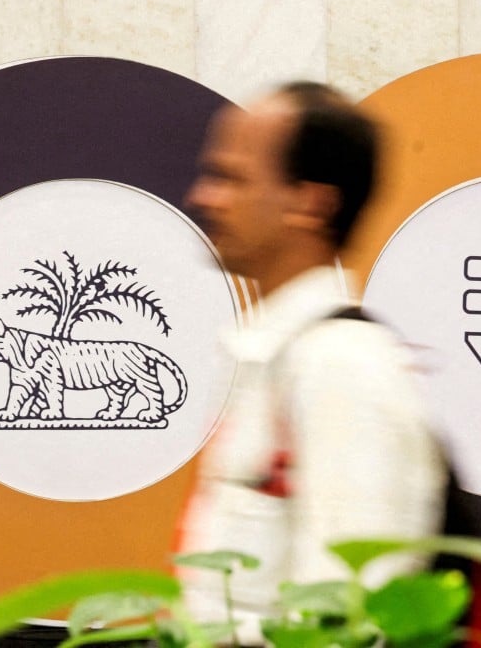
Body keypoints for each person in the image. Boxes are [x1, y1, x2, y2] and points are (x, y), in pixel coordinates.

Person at [178, 81, 447, 643]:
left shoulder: (341, 367)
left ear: (311, 202)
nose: (203, 197)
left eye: (232, 178)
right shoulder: (276, 354)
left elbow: (351, 616)